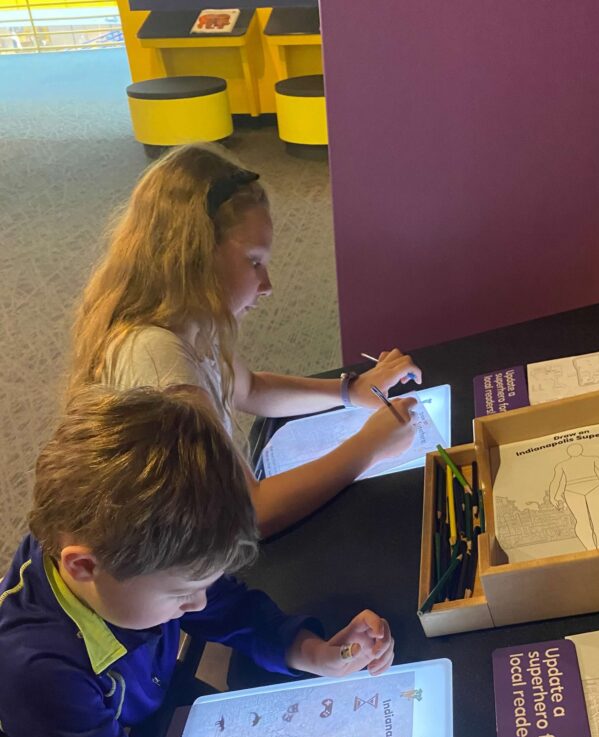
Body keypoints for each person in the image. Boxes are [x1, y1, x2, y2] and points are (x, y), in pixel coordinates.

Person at [0, 386, 391, 737]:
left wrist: (309, 649)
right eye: (183, 592)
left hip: (126, 710)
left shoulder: (123, 560)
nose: (199, 603)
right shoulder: (33, 671)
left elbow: (223, 605)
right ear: (84, 568)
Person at [69, 143, 423, 537]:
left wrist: (351, 390)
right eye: (254, 262)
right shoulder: (157, 355)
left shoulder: (191, 318)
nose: (267, 284)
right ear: (194, 254)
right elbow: (247, 512)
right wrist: (369, 447)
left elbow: (249, 388)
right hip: (165, 569)